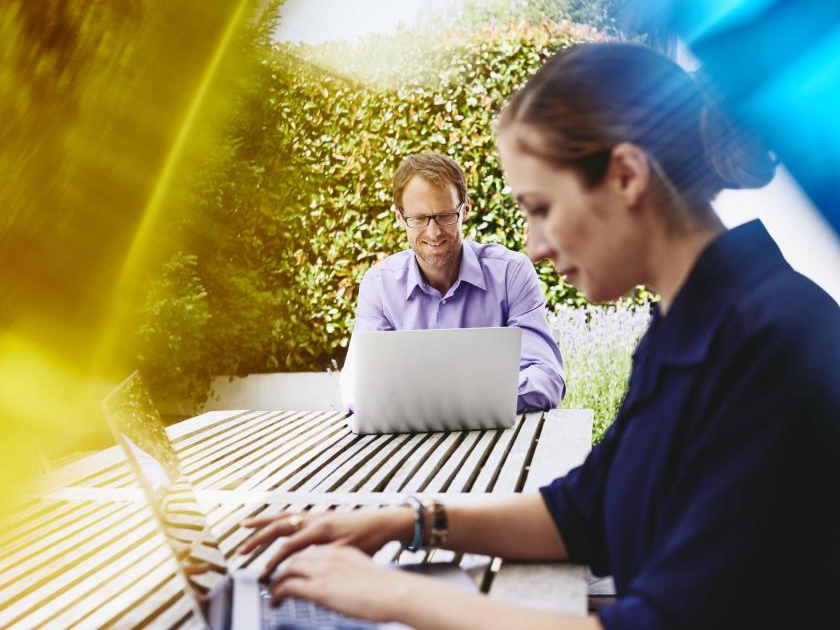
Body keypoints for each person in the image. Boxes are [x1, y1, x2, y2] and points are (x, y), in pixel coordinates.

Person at [240, 42, 840, 629]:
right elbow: (585, 511)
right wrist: (407, 519)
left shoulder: (772, 347)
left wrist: (395, 595)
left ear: (627, 175)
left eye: (541, 208)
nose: (534, 246)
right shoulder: (688, 326)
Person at [339, 151, 565, 413]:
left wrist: (457, 401)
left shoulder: (510, 274)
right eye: (419, 218)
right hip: (409, 445)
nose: (433, 232)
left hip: (497, 442)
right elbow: (356, 387)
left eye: (445, 215)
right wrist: (475, 396)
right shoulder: (379, 286)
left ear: (465, 210)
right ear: (400, 218)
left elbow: (547, 378)